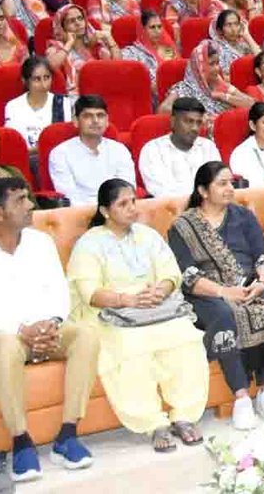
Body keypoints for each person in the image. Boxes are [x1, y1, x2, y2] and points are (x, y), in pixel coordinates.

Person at [66, 179, 208, 451]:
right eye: (123, 204)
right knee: (130, 347)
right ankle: (153, 423)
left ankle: (184, 416)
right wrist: (126, 300)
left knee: (185, 336)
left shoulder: (147, 235)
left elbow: (170, 273)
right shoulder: (90, 243)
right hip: (113, 314)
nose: (132, 208)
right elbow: (89, 292)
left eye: (133, 201)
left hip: (155, 309)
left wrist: (161, 291)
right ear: (105, 211)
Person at [167, 162, 264, 431]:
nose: (229, 189)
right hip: (208, 293)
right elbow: (188, 275)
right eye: (222, 183)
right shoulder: (182, 227)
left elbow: (263, 254)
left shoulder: (242, 216)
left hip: (250, 285)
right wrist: (224, 292)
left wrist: (261, 282)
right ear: (203, 191)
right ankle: (242, 398)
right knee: (225, 316)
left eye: (231, 183)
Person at [0, 176, 100, 480]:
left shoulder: (40, 242)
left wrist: (51, 324)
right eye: (20, 200)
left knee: (85, 335)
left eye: (28, 197)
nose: (30, 205)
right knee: (6, 346)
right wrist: (21, 330)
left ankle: (67, 435)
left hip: (46, 330)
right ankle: (21, 441)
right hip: (8, 335)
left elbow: (59, 291)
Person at [48, 94, 135, 207]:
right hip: (80, 212)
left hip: (118, 210)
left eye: (100, 115)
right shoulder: (60, 153)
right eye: (88, 116)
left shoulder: (119, 150)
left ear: (107, 121)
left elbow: (127, 188)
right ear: (75, 121)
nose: (95, 121)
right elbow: (69, 196)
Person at [138, 97, 222, 198]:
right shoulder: (153, 150)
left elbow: (218, 182)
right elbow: (159, 191)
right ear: (173, 121)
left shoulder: (208, 147)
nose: (195, 128)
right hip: (172, 206)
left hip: (210, 204)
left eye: (199, 123)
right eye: (189, 121)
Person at [5, 56, 71, 150]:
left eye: (46, 78)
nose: (44, 85)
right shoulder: (13, 106)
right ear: (25, 80)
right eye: (37, 79)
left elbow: (65, 142)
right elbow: (12, 144)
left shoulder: (63, 103)